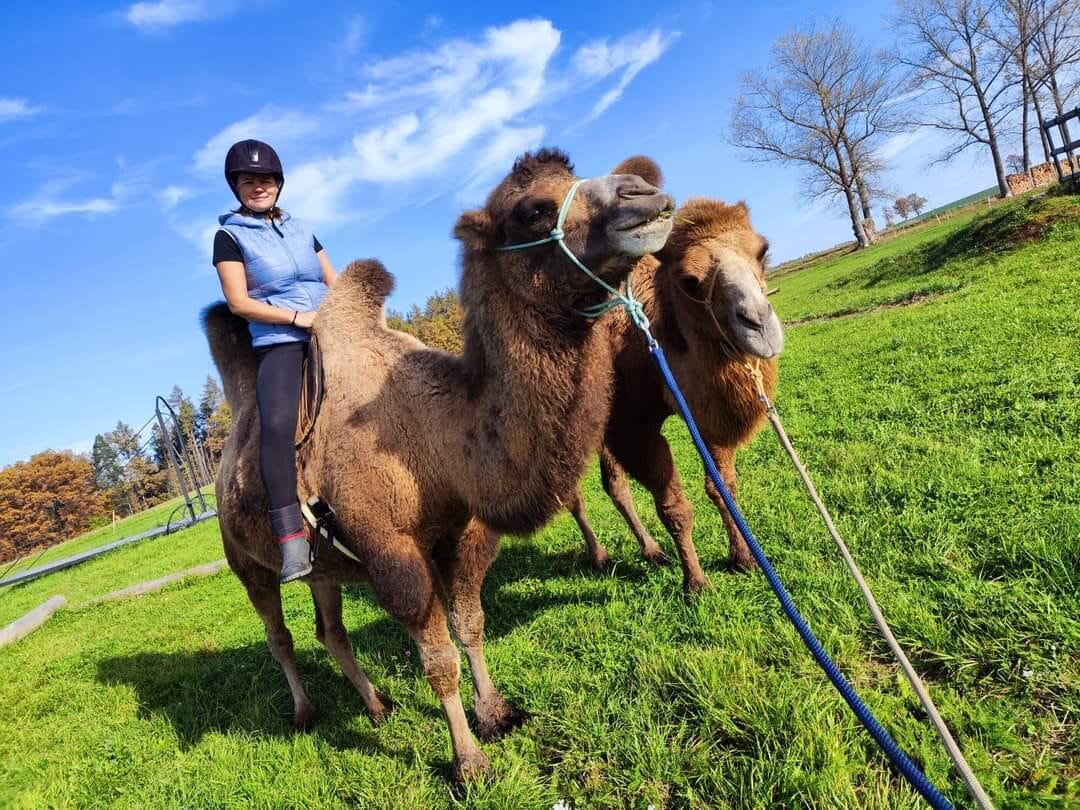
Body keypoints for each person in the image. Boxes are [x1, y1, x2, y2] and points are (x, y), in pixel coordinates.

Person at [213, 139, 337, 583]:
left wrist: (348, 313)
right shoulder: (229, 237)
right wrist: (297, 318)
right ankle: (291, 538)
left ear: (278, 183)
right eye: (249, 181)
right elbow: (239, 303)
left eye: (266, 179)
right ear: (237, 187)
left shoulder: (303, 229)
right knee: (277, 426)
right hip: (280, 340)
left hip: (331, 329)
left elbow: (332, 279)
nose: (259, 186)